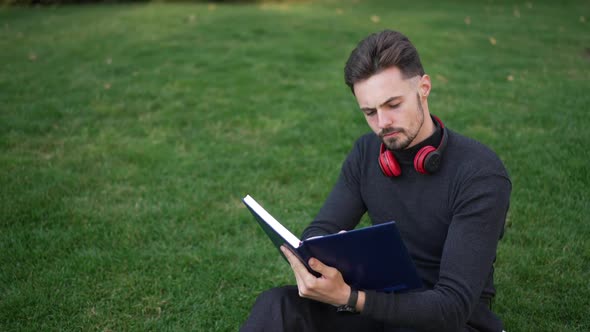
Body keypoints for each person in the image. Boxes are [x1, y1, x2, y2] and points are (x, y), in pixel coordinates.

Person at [240, 30, 511, 332]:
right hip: (378, 303)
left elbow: (452, 307)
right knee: (276, 305)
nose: (382, 124)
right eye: (370, 112)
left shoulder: (480, 173)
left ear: (424, 87)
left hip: (445, 319)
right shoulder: (367, 152)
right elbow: (320, 231)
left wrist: (350, 297)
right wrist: (316, 264)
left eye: (393, 105)